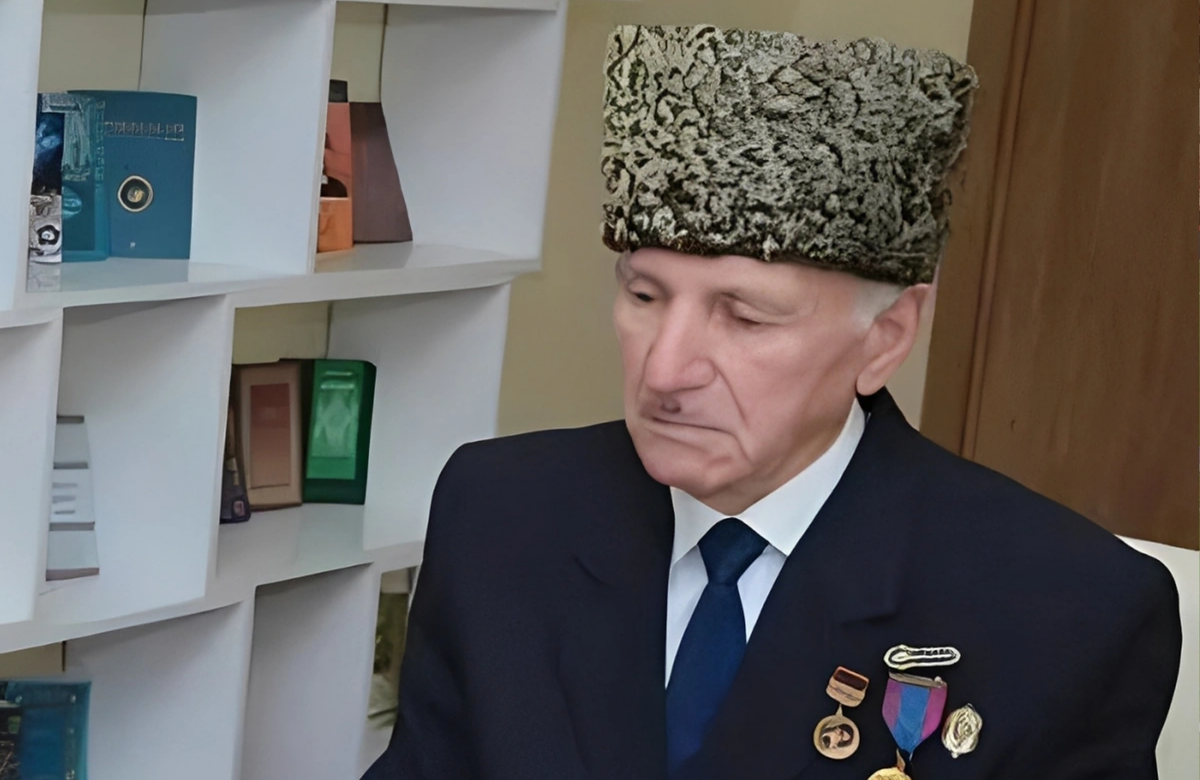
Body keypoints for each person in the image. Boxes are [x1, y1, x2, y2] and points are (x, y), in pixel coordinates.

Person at [363, 23, 1182, 780]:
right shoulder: (503, 512)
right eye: (644, 297)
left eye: (744, 317)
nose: (665, 371)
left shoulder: (1066, 609)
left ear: (886, 338)